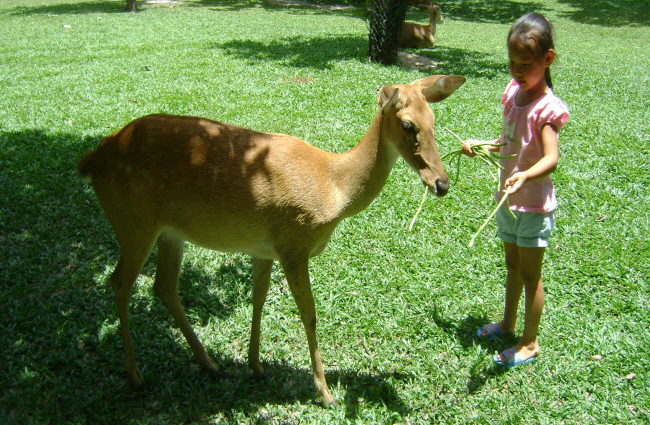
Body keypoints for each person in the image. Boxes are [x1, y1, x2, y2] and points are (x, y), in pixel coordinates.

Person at [461, 12, 569, 367]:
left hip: (534, 207)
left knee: (529, 274)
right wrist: (481, 144)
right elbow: (508, 141)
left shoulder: (546, 108)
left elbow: (551, 159)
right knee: (511, 266)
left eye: (525, 64)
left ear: (547, 59)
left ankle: (530, 342)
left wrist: (524, 176)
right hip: (507, 202)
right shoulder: (513, 95)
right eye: (511, 63)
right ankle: (507, 323)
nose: (516, 71)